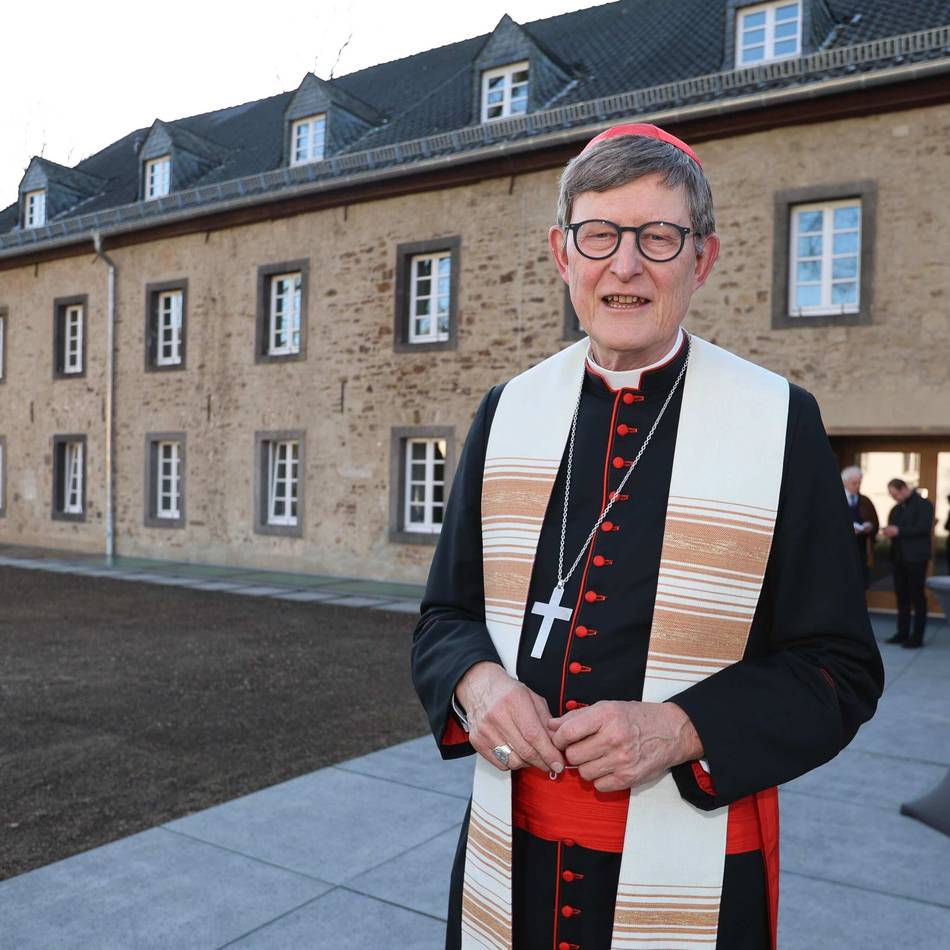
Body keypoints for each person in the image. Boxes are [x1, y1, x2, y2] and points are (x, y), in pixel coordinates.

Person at [411, 124, 884, 950]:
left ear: (701, 259)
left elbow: (839, 670)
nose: (624, 265)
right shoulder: (507, 411)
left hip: (691, 873)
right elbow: (443, 618)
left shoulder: (779, 421)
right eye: (599, 234)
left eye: (658, 237)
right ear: (563, 254)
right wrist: (478, 684)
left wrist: (680, 729)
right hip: (509, 862)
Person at [883, 478, 935, 648]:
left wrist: (898, 531)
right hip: (898, 558)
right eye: (892, 495)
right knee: (901, 596)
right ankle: (902, 632)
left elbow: (924, 527)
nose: (894, 498)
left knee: (917, 596)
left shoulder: (924, 504)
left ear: (904, 488)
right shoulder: (896, 509)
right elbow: (893, 526)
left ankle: (917, 636)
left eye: (895, 494)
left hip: (916, 558)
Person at [841, 465, 879, 589]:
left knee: (860, 583)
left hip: (861, 549)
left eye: (859, 482)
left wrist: (870, 526)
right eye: (854, 483)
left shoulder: (865, 500)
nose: (857, 485)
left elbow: (875, 522)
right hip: (842, 549)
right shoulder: (837, 500)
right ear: (844, 482)